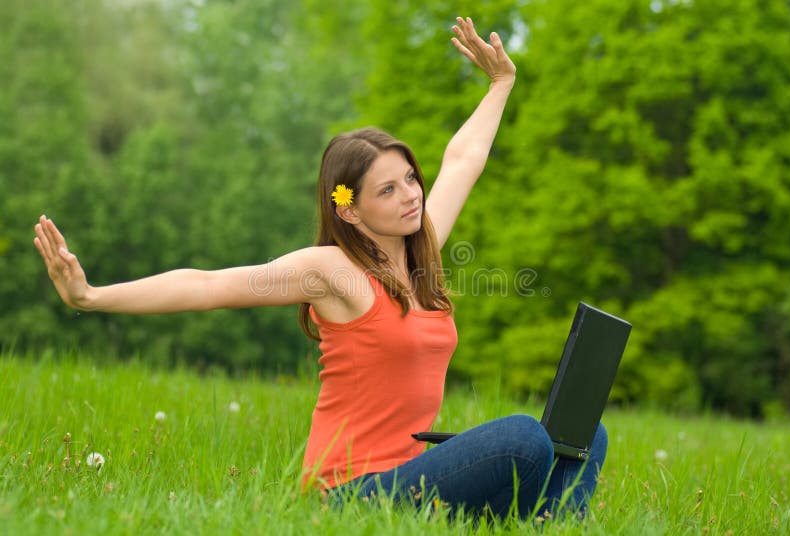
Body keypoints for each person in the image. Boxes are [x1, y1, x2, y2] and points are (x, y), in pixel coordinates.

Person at [34, 16, 607, 520]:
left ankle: (546, 524)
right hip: (350, 492)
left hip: (408, 481)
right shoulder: (330, 271)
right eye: (389, 188)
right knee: (524, 439)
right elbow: (210, 285)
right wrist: (92, 296)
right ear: (351, 210)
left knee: (585, 436)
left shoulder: (421, 245)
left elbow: (463, 159)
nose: (411, 195)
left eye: (410, 177)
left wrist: (502, 82)